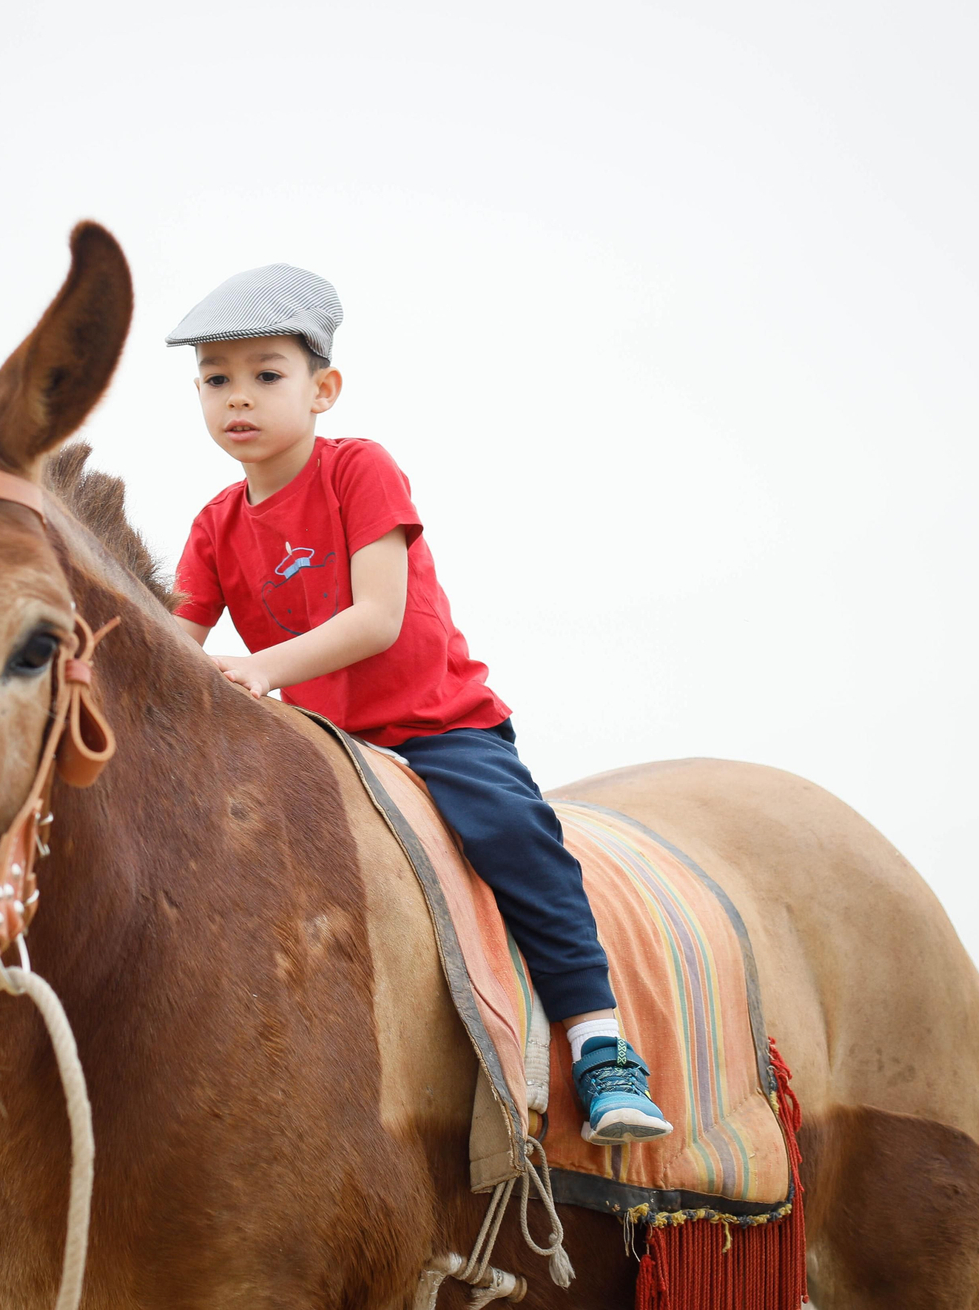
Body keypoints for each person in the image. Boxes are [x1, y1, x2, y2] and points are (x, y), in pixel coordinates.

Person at [166, 264, 672, 1143]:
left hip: (435, 728)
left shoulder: (358, 470)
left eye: (265, 374)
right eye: (216, 380)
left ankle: (601, 1047)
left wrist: (254, 667)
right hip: (319, 742)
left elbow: (377, 617)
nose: (236, 398)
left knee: (514, 837)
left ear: (323, 388)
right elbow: (179, 637)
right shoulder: (214, 524)